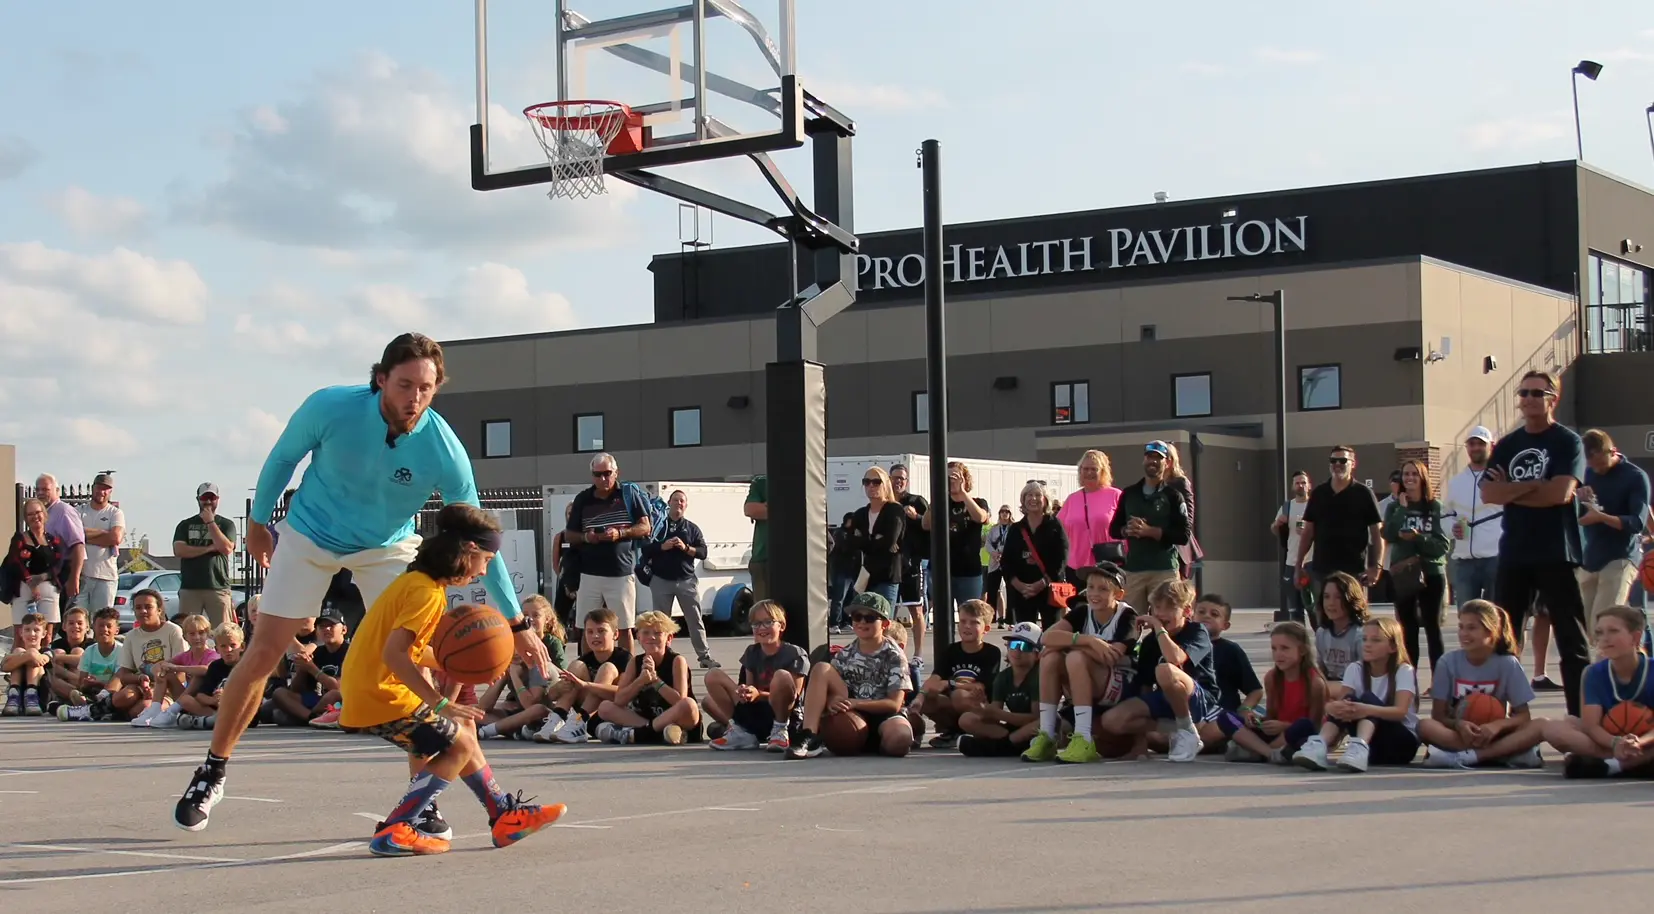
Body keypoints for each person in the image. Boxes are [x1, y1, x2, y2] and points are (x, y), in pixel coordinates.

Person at [173, 333, 546, 832]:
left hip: (386, 546)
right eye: (405, 384)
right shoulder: (331, 407)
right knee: (263, 652)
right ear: (380, 380)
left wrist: (517, 620)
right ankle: (212, 770)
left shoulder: (443, 448)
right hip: (310, 532)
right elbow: (284, 458)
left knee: (420, 662)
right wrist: (260, 522)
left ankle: (422, 799)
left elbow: (481, 538)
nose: (415, 397)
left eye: (427, 388)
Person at [332, 504, 563, 856]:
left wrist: (474, 664)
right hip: (379, 693)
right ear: (469, 551)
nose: (486, 568)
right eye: (486, 559)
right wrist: (440, 702)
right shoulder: (425, 593)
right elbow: (394, 655)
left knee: (464, 734)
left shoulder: (421, 584)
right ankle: (397, 826)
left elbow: (409, 651)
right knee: (459, 745)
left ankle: (503, 815)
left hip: (371, 687)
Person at [1482, 369, 1589, 718]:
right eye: (1523, 392)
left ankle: (1579, 717)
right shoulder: (1509, 444)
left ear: (1552, 398)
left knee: (1571, 641)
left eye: (1536, 393)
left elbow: (1560, 494)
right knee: (1502, 638)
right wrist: (1532, 487)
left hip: (1556, 551)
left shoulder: (1567, 442)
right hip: (1515, 551)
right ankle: (1502, 717)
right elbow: (1489, 493)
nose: (1527, 399)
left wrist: (1512, 490)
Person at [1022, 563, 1138, 764]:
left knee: (1073, 657)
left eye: (1103, 589)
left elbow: (1110, 656)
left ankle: (1083, 738)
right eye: (1091, 587)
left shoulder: (1127, 616)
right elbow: (1046, 637)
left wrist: (1068, 645)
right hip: (1090, 679)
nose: (1094, 593)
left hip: (1120, 685)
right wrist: (1088, 641)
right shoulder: (1083, 612)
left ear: (1118, 594)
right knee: (1050, 657)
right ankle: (1048, 735)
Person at [1097, 580, 1218, 762]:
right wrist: (1140, 745)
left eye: (1169, 608)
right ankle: (1179, 729)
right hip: (1167, 700)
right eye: (1156, 607)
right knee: (1111, 720)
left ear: (1186, 611)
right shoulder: (1150, 642)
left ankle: (1186, 730)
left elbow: (1175, 659)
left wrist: (1159, 628)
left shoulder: (1197, 631)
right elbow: (1144, 688)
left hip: (1200, 700)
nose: (1160, 613)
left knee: (1165, 670)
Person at [1419, 600, 1546, 768]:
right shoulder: (1447, 662)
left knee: (1542, 725)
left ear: (1491, 631)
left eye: (1472, 628)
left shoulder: (1508, 663)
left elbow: (1524, 716)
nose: (1464, 633)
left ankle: (1466, 756)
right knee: (1424, 726)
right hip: (1459, 734)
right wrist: (1459, 724)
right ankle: (1502, 754)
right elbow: (1438, 716)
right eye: (1461, 627)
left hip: (1496, 733)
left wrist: (1497, 726)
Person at [787, 592, 913, 759]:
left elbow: (894, 704)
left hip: (884, 716)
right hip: (853, 714)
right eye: (856, 616)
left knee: (900, 739)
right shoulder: (845, 654)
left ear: (885, 623)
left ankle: (878, 742)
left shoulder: (894, 655)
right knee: (821, 668)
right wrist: (832, 701)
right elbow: (833, 690)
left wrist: (856, 703)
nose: (861, 621)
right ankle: (810, 733)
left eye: (869, 618)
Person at [1542, 605, 1654, 779]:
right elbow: (1591, 725)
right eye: (1600, 633)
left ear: (1636, 637)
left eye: (1613, 631)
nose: (1605, 638)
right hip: (1608, 740)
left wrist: (1640, 742)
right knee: (1553, 728)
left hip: (1648, 739)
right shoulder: (1593, 673)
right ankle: (1634, 763)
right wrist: (1616, 743)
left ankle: (1612, 765)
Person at [1301, 617, 1419, 771]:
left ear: (1392, 646)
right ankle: (1319, 745)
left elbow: (1400, 712)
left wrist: (1366, 709)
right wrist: (1331, 707)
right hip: (1373, 746)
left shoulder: (1403, 671)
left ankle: (1359, 748)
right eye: (1364, 639)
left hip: (1400, 744)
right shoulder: (1355, 669)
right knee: (1348, 701)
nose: (1367, 645)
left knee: (1367, 698)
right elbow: (1344, 706)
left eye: (1376, 640)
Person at [567, 452, 652, 654]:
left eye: (607, 473)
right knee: (587, 627)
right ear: (592, 476)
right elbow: (570, 534)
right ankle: (587, 672)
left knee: (624, 627)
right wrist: (588, 538)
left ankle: (626, 672)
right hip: (589, 573)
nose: (603, 479)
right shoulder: (583, 499)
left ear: (616, 473)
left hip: (620, 573)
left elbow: (645, 527)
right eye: (598, 475)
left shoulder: (628, 495)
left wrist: (620, 533)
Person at [1296, 446, 1384, 625]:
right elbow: (1308, 532)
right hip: (1322, 570)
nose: (1337, 464)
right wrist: (1298, 565)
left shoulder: (1363, 494)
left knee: (1355, 620)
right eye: (1333, 461)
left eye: (1342, 460)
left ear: (1353, 464)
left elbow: (1377, 534)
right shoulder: (1319, 493)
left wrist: (1377, 567)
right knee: (1324, 621)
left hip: (1354, 570)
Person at [705, 600, 808, 752]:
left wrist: (758, 694)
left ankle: (780, 732)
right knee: (713, 675)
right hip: (757, 712)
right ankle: (740, 731)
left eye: (768, 622)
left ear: (781, 626)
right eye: (756, 624)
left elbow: (794, 697)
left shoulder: (795, 654)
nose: (761, 628)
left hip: (785, 715)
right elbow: (750, 688)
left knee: (781, 676)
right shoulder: (752, 652)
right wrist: (744, 692)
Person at [1382, 460, 1452, 675]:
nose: (1409, 478)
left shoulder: (1435, 507)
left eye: (1414, 474)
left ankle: (1439, 681)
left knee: (1433, 628)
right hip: (1404, 574)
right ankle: (1408, 681)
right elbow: (1388, 534)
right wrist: (1403, 510)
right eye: (1405, 474)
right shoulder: (1395, 506)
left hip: (1431, 572)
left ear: (1422, 477)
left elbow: (1442, 546)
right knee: (1407, 629)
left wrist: (1418, 538)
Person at [1108, 441, 1193, 612]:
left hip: (1164, 569)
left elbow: (1183, 535)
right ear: (1144, 460)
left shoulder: (1173, 496)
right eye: (1149, 457)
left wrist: (1151, 532)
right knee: (1130, 621)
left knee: (1165, 619)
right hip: (1134, 569)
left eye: (1158, 458)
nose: (1153, 461)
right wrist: (1127, 530)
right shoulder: (1129, 493)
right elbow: (1114, 529)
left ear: (1167, 463)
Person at [1224, 622, 1325, 766]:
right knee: (1225, 716)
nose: (1278, 654)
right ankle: (1270, 753)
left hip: (1295, 733)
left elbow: (1315, 726)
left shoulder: (1315, 683)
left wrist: (1285, 726)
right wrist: (1258, 721)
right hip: (1275, 735)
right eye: (1274, 649)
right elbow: (1272, 715)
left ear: (1302, 650)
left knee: (1304, 726)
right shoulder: (1271, 678)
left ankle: (1256, 752)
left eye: (1285, 648)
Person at [595, 610, 703, 745]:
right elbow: (619, 700)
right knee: (605, 707)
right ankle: (657, 734)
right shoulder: (635, 662)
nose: (651, 637)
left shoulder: (677, 660)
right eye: (646, 633)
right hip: (648, 719)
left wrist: (656, 681)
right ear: (638, 637)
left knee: (689, 704)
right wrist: (640, 681)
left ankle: (638, 735)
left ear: (669, 638)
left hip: (678, 717)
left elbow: (679, 700)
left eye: (658, 633)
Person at [1576, 430, 1650, 621]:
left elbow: (1636, 523)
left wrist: (1601, 517)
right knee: (1585, 626)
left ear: (1613, 452)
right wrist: (1579, 504)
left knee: (1605, 620)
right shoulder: (1586, 474)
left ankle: (1632, 648)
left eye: (1601, 463)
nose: (1597, 469)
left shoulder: (1634, 477)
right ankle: (1629, 647)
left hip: (1621, 556)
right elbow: (1580, 518)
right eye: (1592, 465)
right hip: (1591, 556)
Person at [912, 599, 1000, 750]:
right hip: (955, 703)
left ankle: (975, 730)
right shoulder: (951, 650)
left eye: (974, 623)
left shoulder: (991, 653)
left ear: (985, 628)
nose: (967, 626)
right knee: (928, 697)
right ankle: (952, 731)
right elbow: (935, 678)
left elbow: (980, 686)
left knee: (959, 695)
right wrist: (919, 698)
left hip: (981, 706)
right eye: (963, 621)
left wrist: (950, 683)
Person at [642, 489, 716, 669]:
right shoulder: (659, 526)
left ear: (686, 505)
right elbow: (645, 549)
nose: (679, 504)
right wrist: (663, 547)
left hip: (686, 581)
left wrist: (686, 548)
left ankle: (704, 656)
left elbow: (703, 552)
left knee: (694, 619)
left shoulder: (691, 528)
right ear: (669, 502)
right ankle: (660, 656)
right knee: (660, 622)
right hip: (661, 580)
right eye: (675, 500)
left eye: (682, 501)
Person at [539, 608, 632, 744]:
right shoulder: (585, 659)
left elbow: (625, 694)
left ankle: (579, 721)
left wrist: (588, 685)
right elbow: (551, 696)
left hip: (612, 709)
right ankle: (557, 719)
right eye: (590, 632)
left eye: (601, 631)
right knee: (576, 666)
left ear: (615, 634)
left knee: (607, 668)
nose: (595, 636)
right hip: (586, 713)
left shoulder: (624, 658)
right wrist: (560, 687)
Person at [958, 622, 1042, 757]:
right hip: (1014, 728)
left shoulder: (1039, 675)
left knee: (1046, 722)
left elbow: (1036, 717)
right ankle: (1016, 744)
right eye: (1013, 644)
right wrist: (981, 708)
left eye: (1024, 646)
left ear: (1037, 654)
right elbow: (994, 717)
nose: (1017, 650)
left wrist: (997, 713)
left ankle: (1003, 746)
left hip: (1034, 726)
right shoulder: (1003, 677)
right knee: (967, 719)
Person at [921, 461, 992, 620]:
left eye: (955, 477)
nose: (951, 481)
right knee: (943, 618)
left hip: (969, 571)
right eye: (947, 478)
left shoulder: (978, 502)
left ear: (965, 479)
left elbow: (980, 517)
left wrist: (962, 492)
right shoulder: (940, 502)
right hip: (941, 570)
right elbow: (926, 525)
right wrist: (937, 496)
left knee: (971, 617)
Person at [1443, 426, 1502, 605]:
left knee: (1497, 615)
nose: (1475, 448)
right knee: (1467, 615)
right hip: (1464, 561)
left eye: (1480, 444)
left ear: (1491, 445)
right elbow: (1445, 515)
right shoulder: (1456, 483)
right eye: (1472, 444)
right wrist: (1452, 529)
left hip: (1495, 557)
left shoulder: (1501, 478)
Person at [1000, 481, 1069, 629]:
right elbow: (1006, 561)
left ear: (1045, 500)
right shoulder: (1016, 529)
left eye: (1038, 495)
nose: (1033, 499)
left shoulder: (1055, 526)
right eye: (1029, 495)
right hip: (1022, 592)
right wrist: (1019, 585)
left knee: (1051, 634)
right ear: (1023, 500)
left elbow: (1061, 559)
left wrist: (1041, 584)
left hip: (1049, 590)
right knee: (1025, 634)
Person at [173, 483, 240, 628]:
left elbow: (227, 548)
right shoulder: (185, 524)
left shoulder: (226, 524)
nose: (208, 502)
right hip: (190, 587)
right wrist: (209, 548)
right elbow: (179, 550)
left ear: (218, 499)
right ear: (198, 499)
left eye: (212, 498)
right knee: (189, 630)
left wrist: (210, 522)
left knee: (224, 631)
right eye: (204, 498)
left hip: (218, 586)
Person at [119, 590, 189, 726]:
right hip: (143, 686)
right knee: (121, 698)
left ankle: (162, 710)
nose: (143, 611)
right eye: (138, 608)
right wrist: (140, 679)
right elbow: (124, 675)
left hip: (167, 687)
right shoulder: (131, 636)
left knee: (140, 709)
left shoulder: (173, 631)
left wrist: (157, 689)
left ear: (159, 610)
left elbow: (182, 673)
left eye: (148, 607)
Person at [5, 498, 65, 645]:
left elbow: (60, 564)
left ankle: (43, 666)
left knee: (46, 637)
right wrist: (31, 583)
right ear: (26, 518)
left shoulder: (54, 540)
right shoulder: (19, 539)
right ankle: (19, 666)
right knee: (21, 637)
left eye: (38, 512)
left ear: (44, 514)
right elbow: (14, 561)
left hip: (48, 589)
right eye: (30, 514)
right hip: (24, 588)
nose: (35, 517)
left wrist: (43, 576)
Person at [1058, 450, 1124, 580]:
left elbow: (1127, 529)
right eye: (1085, 469)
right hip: (1076, 567)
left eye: (1094, 469)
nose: (1089, 473)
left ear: (1103, 471)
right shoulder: (1072, 499)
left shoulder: (1116, 495)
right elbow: (1057, 530)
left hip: (1109, 564)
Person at [848, 467, 905, 608]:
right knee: (865, 619)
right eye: (866, 482)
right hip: (865, 576)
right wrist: (875, 539)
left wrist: (864, 540)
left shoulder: (894, 510)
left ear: (885, 484)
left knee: (883, 622)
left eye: (876, 482)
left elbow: (889, 542)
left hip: (886, 575)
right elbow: (849, 542)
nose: (870, 486)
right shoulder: (860, 514)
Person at [55, 607, 125, 721]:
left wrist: (100, 684)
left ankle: (89, 708)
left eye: (108, 626)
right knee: (77, 693)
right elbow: (81, 683)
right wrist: (87, 683)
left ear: (116, 630)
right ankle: (92, 707)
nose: (104, 629)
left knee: (118, 688)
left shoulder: (122, 651)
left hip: (113, 693)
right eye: (101, 626)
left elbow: (120, 680)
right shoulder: (89, 651)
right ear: (93, 628)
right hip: (93, 692)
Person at [177, 622, 247, 730]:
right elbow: (201, 695)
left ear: (242, 647)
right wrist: (213, 700)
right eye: (223, 646)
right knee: (185, 700)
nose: (228, 650)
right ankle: (215, 719)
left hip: (241, 710)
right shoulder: (215, 666)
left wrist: (228, 697)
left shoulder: (248, 666)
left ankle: (203, 721)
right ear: (217, 649)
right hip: (216, 709)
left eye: (233, 645)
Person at [75, 473, 125, 615]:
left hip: (106, 577)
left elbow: (115, 538)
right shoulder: (79, 511)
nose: (101, 492)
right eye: (99, 488)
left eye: (106, 489)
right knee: (79, 619)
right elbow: (73, 536)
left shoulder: (115, 513)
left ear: (110, 491)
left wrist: (85, 537)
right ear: (93, 488)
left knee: (102, 619)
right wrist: (104, 534)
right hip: (82, 575)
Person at [1315, 572, 1371, 693]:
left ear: (1350, 599)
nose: (1331, 603)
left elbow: (1366, 677)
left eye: (1338, 597)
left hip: (1357, 689)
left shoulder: (1360, 634)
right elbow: (1321, 670)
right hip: (1330, 687)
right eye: (1326, 596)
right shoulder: (1321, 633)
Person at [1270, 471, 1314, 623]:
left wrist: (1310, 531)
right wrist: (1278, 524)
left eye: (1303, 482)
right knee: (1295, 609)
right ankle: (1299, 642)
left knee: (1314, 607)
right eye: (1297, 483)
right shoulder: (1287, 507)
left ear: (1309, 485)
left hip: (1312, 562)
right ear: (1293, 486)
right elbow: (1274, 529)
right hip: (1291, 562)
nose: (1300, 485)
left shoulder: (1315, 505)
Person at [2, 612, 51, 716]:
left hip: (39, 697)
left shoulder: (47, 651)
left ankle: (31, 694)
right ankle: (14, 694)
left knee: (31, 654)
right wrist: (27, 655)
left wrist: (30, 654)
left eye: (36, 630)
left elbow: (43, 659)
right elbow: (4, 667)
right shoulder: (18, 652)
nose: (32, 634)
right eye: (27, 630)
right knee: (19, 651)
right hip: (19, 700)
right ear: (21, 633)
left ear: (44, 634)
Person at [827, 513, 862, 633]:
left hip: (852, 571)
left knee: (849, 598)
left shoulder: (854, 533)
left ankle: (845, 621)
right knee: (839, 597)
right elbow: (844, 548)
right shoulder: (840, 533)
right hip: (841, 570)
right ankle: (834, 623)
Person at [983, 507, 1014, 627]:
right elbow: (988, 544)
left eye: (1007, 512)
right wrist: (994, 553)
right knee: (992, 590)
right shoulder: (994, 529)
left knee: (1011, 591)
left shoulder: (1013, 529)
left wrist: (1006, 554)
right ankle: (991, 618)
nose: (1004, 514)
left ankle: (1011, 619)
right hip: (995, 562)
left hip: (1008, 562)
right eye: (1002, 512)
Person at [743, 474, 769, 602]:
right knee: (763, 609)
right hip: (763, 558)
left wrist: (766, 506)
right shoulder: (762, 482)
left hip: (797, 562)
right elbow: (750, 509)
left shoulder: (806, 478)